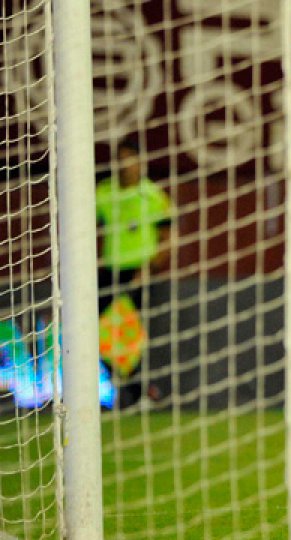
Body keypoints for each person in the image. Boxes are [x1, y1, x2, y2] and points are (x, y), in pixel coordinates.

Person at [96, 137, 173, 407]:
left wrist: (150, 269)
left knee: (134, 336)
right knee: (95, 332)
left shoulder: (153, 195)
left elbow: (167, 238)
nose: (125, 165)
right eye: (121, 159)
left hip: (140, 273)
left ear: (141, 163)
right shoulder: (103, 192)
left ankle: (138, 392)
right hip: (109, 273)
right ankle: (135, 389)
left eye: (130, 159)